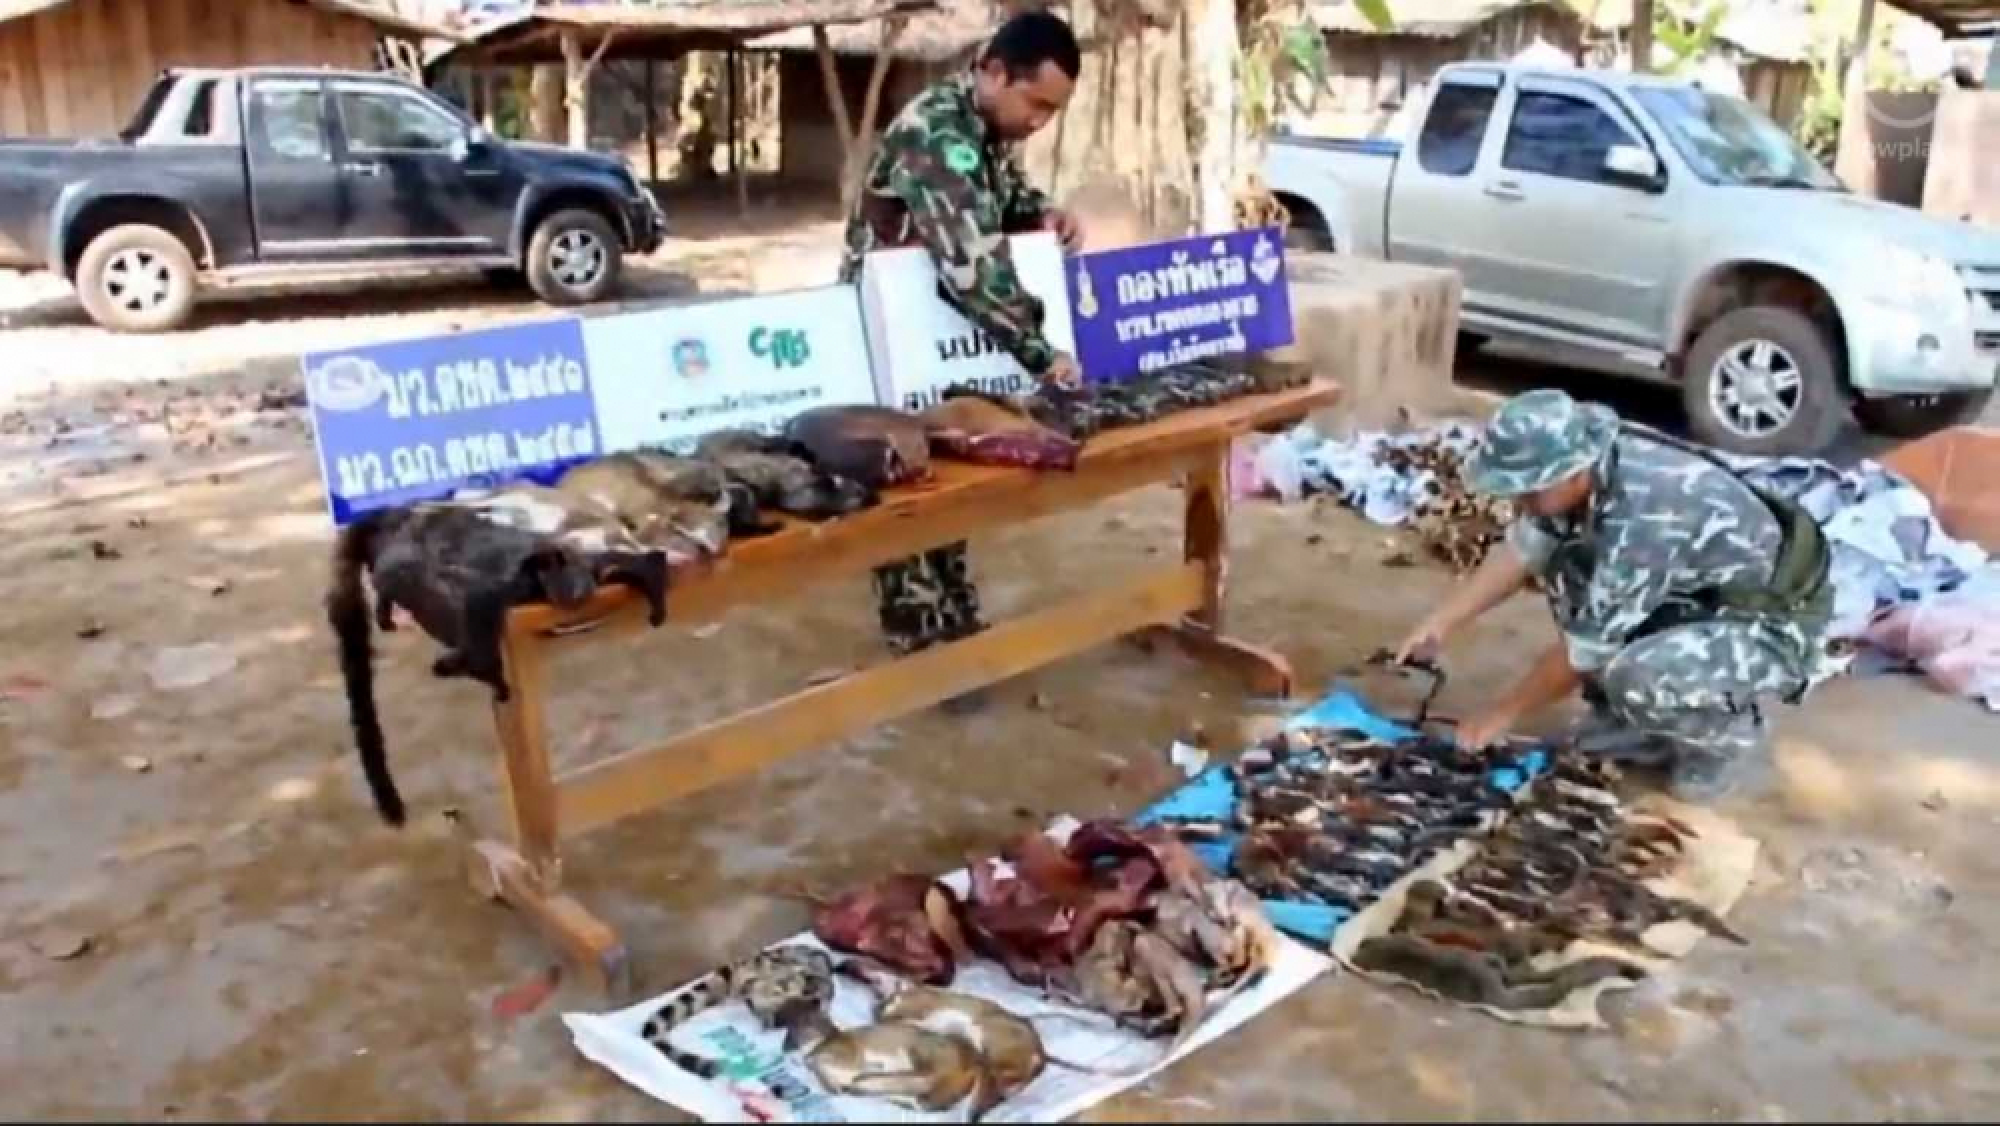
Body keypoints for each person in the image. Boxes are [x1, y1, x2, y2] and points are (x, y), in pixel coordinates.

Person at [1394, 390, 1833, 800]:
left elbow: (1583, 647)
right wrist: (1438, 624)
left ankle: (1727, 738)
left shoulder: (1646, 516)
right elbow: (1523, 550)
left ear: (1574, 472)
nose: (1521, 500)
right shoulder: (1576, 482)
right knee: (1567, 567)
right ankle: (1632, 717)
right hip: (1689, 600)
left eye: (1530, 489)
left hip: (1765, 625)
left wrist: (1501, 714)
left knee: (1638, 676)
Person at [838, 10, 1086, 699]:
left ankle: (951, 615)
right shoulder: (933, 131)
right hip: (887, 330)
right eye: (1035, 103)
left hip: (936, 331)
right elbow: (972, 267)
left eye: (1052, 111)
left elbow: (1000, 198)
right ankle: (923, 642)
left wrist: (1045, 214)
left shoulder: (982, 126)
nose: (1039, 121)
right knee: (907, 480)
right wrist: (1045, 354)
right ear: (994, 71)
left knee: (951, 462)